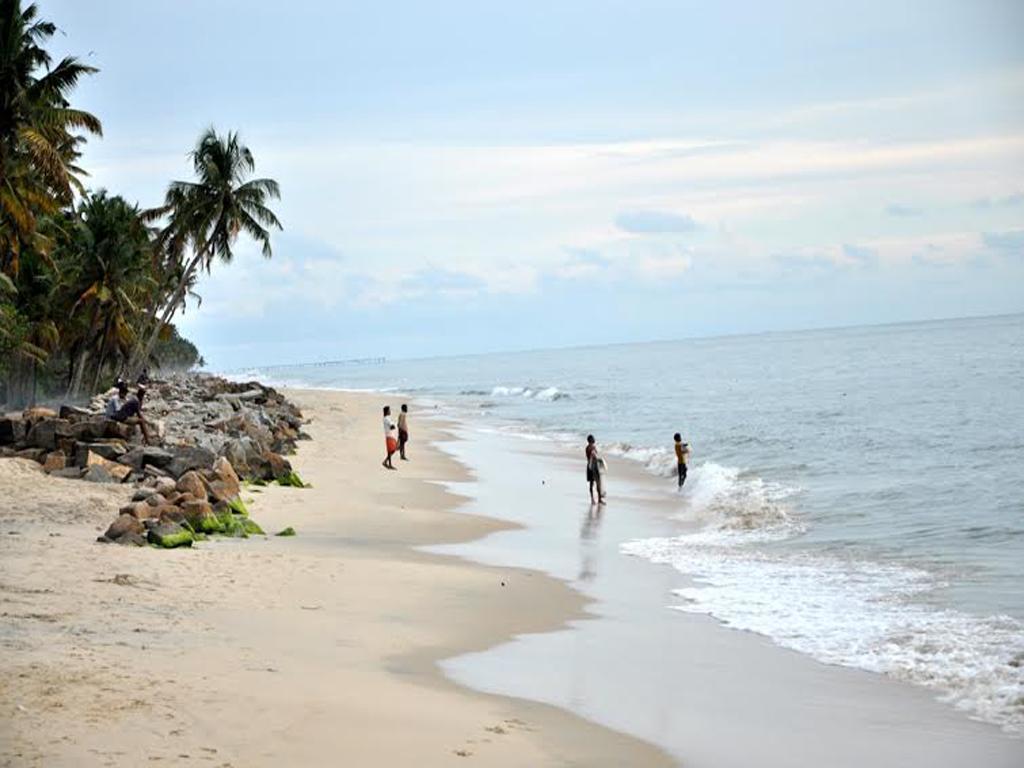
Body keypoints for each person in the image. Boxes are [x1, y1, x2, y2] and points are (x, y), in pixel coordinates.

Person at [585, 434, 606, 504]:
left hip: (590, 466)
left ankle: (593, 499)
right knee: (597, 483)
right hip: (593, 467)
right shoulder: (591, 448)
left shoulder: (588, 447)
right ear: (591, 440)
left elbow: (591, 457)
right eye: (593, 438)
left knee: (592, 483)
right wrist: (600, 461)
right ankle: (598, 499)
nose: (594, 439)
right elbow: (593, 456)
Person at [382, 405, 398, 470]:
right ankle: (387, 463)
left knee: (391, 450)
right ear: (387, 411)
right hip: (389, 435)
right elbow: (392, 426)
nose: (390, 411)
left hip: (389, 435)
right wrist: (393, 425)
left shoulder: (386, 418)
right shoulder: (387, 419)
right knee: (392, 450)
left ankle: (386, 462)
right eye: (389, 410)